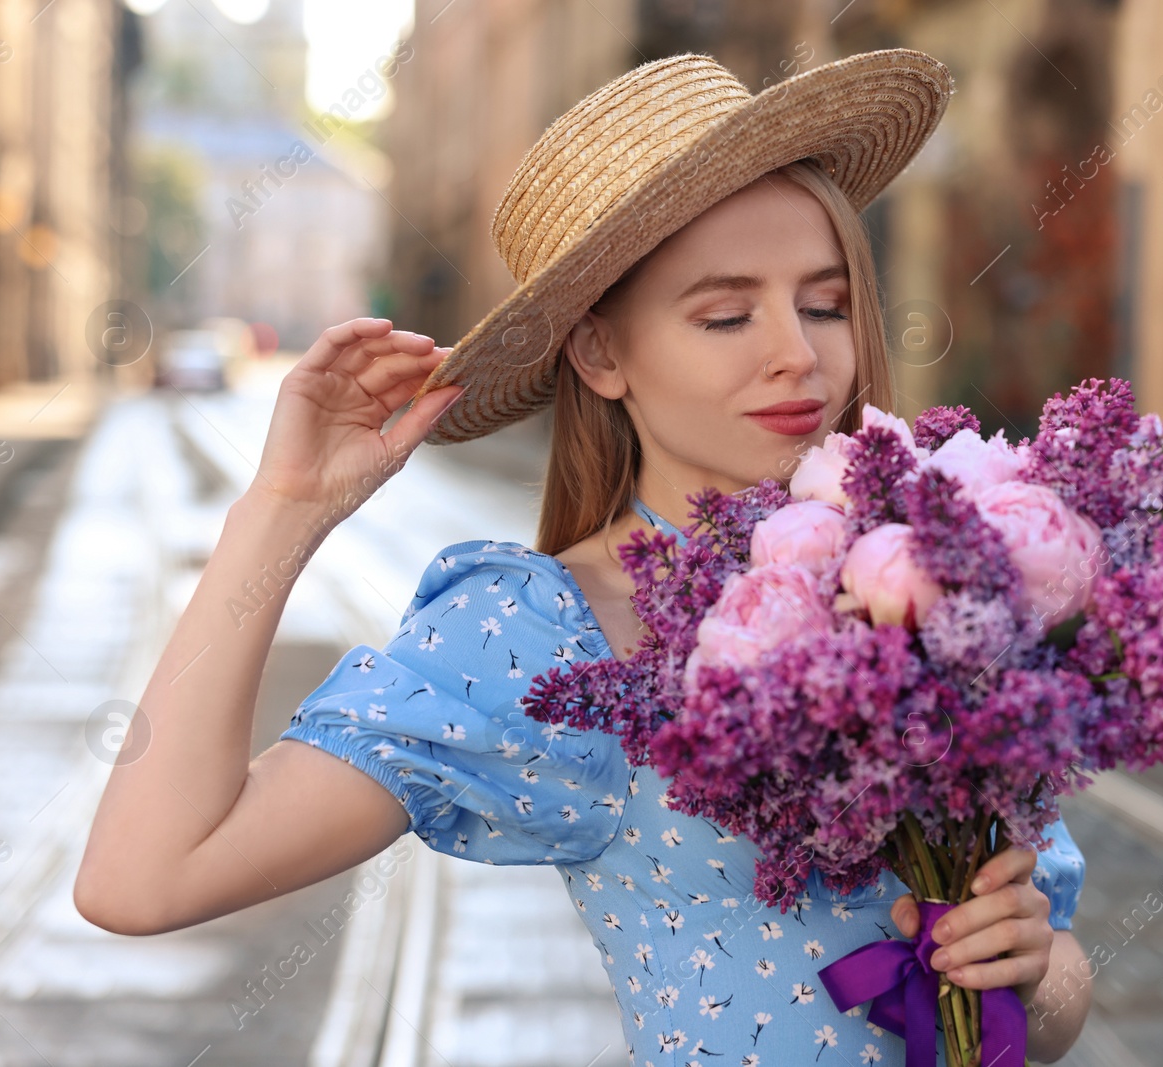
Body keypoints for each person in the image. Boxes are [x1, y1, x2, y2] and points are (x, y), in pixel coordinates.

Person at [75, 49, 1093, 1063]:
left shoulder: (931, 571)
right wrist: (284, 511)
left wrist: (1028, 967)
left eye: (823, 302)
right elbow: (143, 875)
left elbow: (1054, 995)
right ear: (601, 353)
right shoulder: (557, 638)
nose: (798, 351)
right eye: (726, 313)